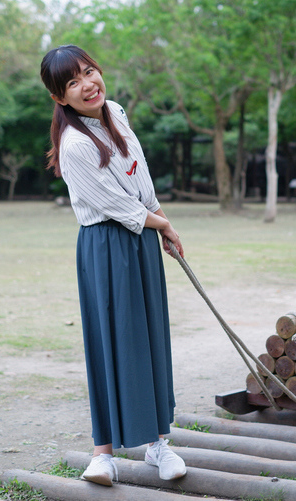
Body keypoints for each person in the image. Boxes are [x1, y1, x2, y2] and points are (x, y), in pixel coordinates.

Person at [39, 44, 186, 486]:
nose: (87, 85)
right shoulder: (73, 144)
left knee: (150, 338)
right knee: (110, 343)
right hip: (105, 246)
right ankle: (103, 454)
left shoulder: (116, 111)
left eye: (89, 72)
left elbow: (138, 178)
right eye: (72, 82)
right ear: (60, 98)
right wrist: (161, 224)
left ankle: (158, 444)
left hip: (140, 241)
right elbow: (116, 204)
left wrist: (162, 222)